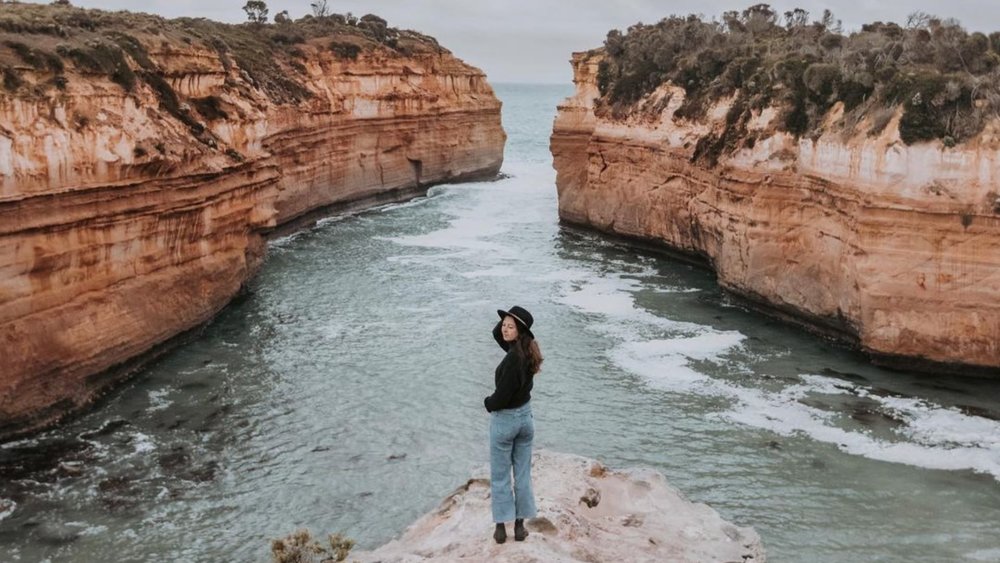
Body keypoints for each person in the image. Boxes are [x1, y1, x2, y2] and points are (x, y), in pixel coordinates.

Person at [484, 305, 543, 544]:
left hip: (505, 421)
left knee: (500, 476)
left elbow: (501, 399)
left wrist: (487, 402)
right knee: (522, 474)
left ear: (520, 332)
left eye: (510, 327)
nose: (504, 330)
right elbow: (497, 334)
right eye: (504, 326)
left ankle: (501, 528)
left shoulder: (511, 361)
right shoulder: (528, 352)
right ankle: (519, 527)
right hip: (525, 420)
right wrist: (509, 320)